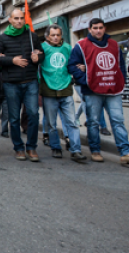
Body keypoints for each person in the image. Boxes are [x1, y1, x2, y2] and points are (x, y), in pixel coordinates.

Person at [68, 18, 129, 164]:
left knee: (118, 121)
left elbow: (120, 65)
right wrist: (86, 80)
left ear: (105, 28)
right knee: (93, 122)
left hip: (112, 90)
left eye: (101, 27)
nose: (98, 30)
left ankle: (126, 153)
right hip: (92, 91)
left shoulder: (114, 45)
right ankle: (95, 150)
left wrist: (121, 79)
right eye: (95, 28)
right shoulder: (81, 46)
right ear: (90, 29)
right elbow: (71, 66)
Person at [0, 9, 44, 162]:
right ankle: (19, 148)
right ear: (10, 20)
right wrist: (12, 60)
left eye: (22, 18)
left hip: (31, 82)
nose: (19, 21)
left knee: (33, 114)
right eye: (16, 18)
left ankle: (32, 147)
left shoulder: (32, 36)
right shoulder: (2, 38)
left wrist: (37, 58)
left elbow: (42, 55)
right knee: (13, 118)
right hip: (11, 84)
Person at [39, 25, 87, 162]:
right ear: (47, 36)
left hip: (66, 90)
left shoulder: (67, 48)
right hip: (49, 91)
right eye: (52, 35)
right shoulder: (42, 48)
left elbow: (73, 63)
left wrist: (79, 66)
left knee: (72, 122)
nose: (55, 37)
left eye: (58, 35)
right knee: (52, 123)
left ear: (61, 36)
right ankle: (55, 147)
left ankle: (76, 150)